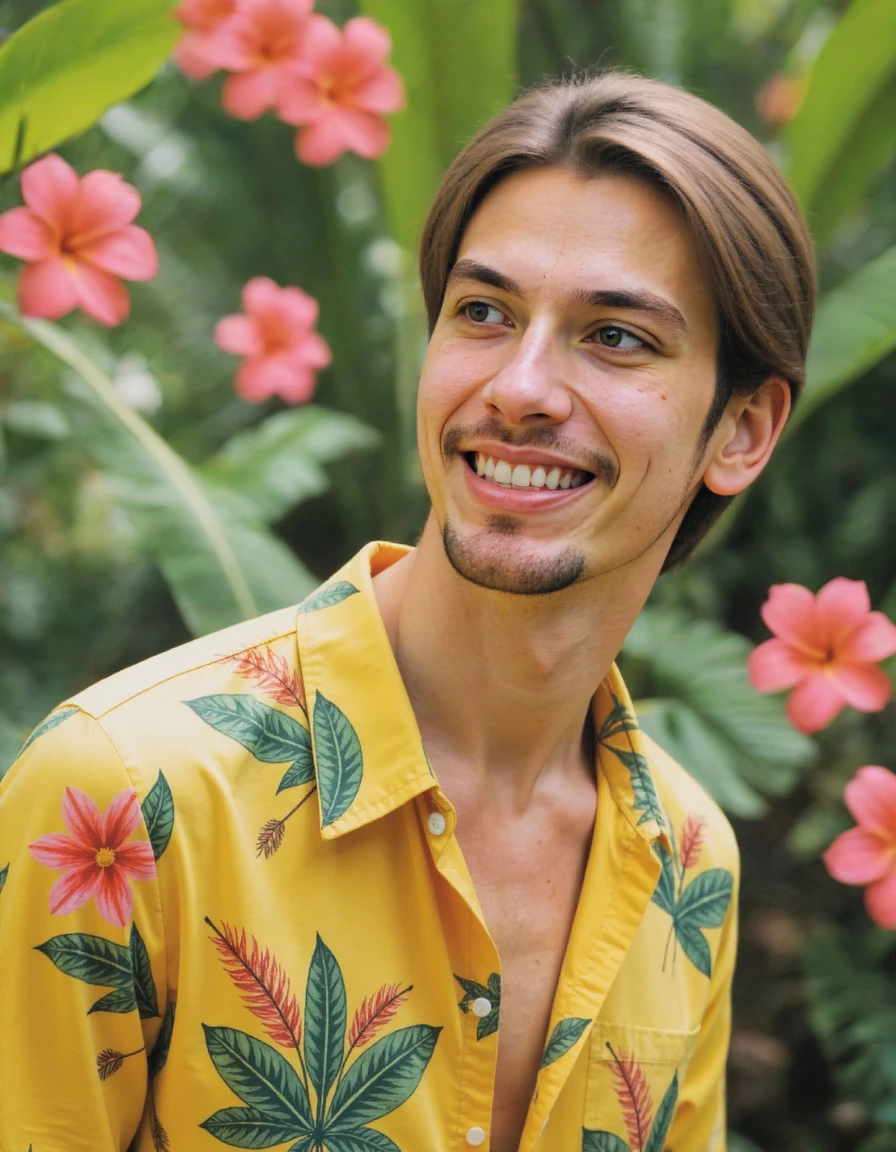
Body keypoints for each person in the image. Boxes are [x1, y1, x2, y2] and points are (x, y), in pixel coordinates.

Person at [0, 69, 814, 1152]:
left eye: (614, 336)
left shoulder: (688, 864)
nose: (519, 386)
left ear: (742, 432)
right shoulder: (121, 802)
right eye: (482, 313)